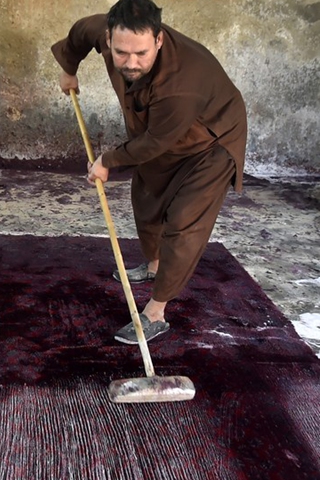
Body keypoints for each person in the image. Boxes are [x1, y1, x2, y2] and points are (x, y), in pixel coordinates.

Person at [51, 0, 247, 344]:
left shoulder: (183, 83)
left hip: (211, 142)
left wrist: (107, 160)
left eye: (141, 53)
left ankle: (156, 313)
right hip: (162, 135)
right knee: (146, 197)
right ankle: (154, 266)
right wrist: (69, 68)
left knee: (184, 221)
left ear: (158, 40)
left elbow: (155, 142)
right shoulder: (105, 31)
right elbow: (80, 33)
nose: (131, 63)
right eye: (121, 53)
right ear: (109, 38)